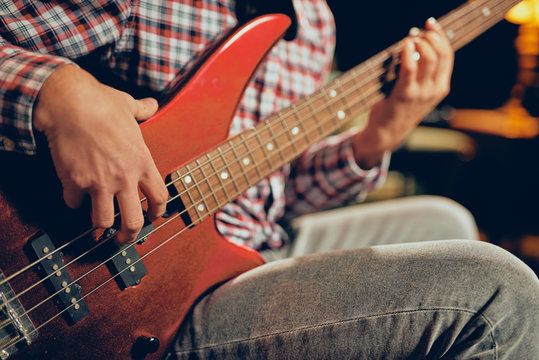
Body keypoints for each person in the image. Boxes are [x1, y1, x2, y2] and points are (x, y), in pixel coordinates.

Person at [1, 1, 537, 359]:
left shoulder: (315, 21)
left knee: (443, 218)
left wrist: (378, 138)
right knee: (499, 294)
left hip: (243, 245)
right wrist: (56, 93)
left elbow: (271, 190)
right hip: (141, 287)